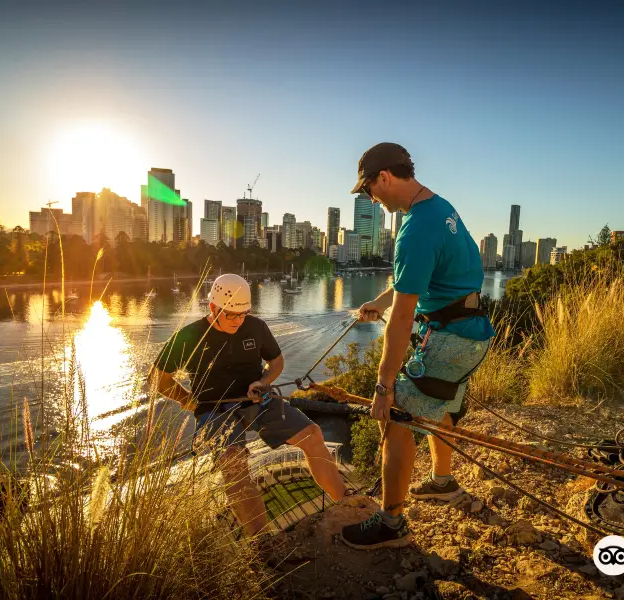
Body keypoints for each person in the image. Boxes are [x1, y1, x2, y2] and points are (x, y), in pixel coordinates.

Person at [340, 143, 495, 550]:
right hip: (472, 334)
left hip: (448, 339)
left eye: (369, 190)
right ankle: (442, 482)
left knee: (395, 418)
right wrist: (378, 302)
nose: (371, 199)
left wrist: (383, 384)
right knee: (439, 410)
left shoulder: (415, 229)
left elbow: (406, 316)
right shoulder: (439, 208)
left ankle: (391, 523)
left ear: (385, 178)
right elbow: (418, 283)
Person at [149, 273, 347, 537]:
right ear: (212, 307)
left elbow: (276, 363)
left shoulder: (255, 327)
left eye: (243, 314)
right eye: (231, 314)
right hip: (214, 409)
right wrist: (188, 401)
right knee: (233, 463)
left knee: (312, 434)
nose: (238, 321)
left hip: (257, 399)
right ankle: (262, 541)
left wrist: (263, 382)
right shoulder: (189, 336)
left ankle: (346, 507)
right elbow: (159, 380)